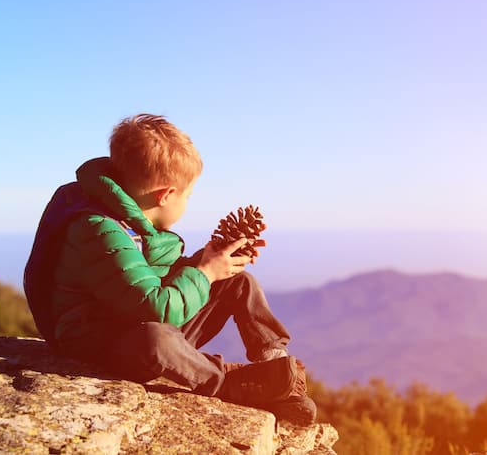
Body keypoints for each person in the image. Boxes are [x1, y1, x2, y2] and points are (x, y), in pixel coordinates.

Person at [23, 113, 315, 424]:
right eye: (188, 195)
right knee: (157, 338)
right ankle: (226, 382)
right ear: (165, 195)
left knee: (238, 282)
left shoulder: (126, 215)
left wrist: (204, 264)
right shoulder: (99, 230)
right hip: (101, 344)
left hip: (133, 317)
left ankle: (280, 372)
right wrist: (203, 274)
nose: (188, 202)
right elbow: (156, 307)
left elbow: (144, 276)